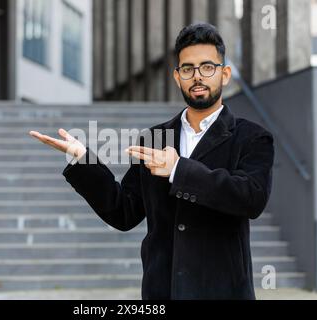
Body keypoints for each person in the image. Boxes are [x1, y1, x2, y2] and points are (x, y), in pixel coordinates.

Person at [30, 23, 275, 300]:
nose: (197, 77)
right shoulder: (156, 138)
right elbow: (123, 212)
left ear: (225, 73)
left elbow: (251, 198)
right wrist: (84, 160)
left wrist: (179, 169)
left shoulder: (252, 137)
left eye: (207, 67)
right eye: (187, 69)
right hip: (162, 292)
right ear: (176, 76)